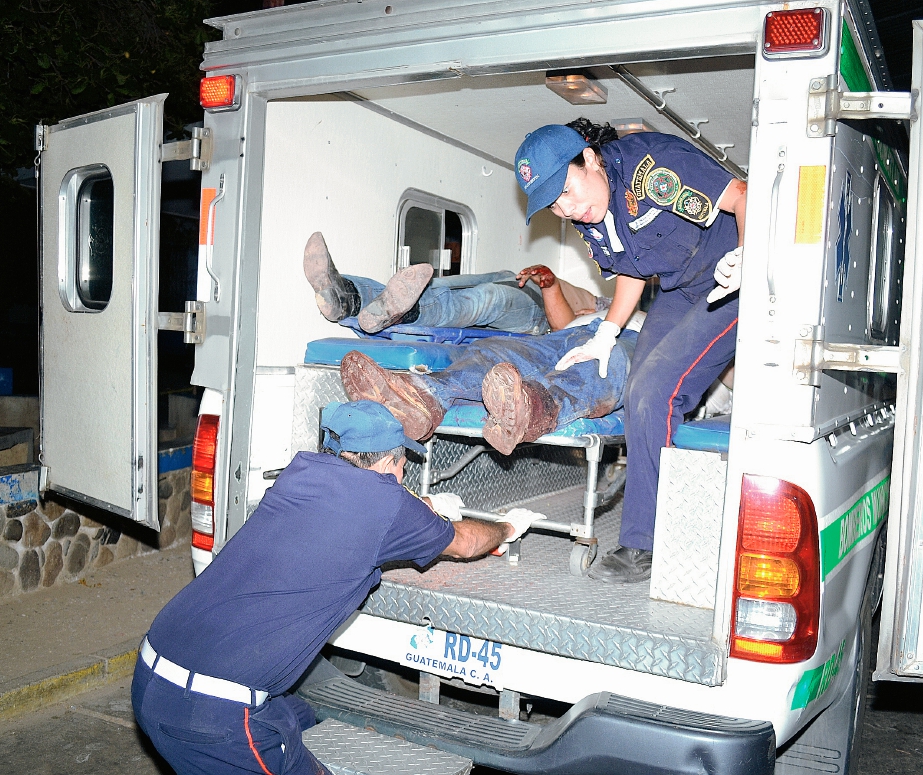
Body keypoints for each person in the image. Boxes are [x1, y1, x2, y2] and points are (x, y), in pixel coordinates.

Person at [132, 400, 545, 775]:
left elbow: (357, 512)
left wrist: (426, 509)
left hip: (152, 669)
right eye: (402, 466)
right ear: (391, 463)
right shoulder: (387, 505)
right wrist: (507, 527)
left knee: (301, 716)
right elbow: (466, 543)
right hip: (213, 715)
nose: (402, 477)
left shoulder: (300, 473)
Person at [513, 118, 746, 584]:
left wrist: (748, 256)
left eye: (567, 190)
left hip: (732, 277)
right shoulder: (590, 214)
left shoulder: (652, 167)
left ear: (590, 159)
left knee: (657, 390)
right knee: (639, 389)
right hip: (681, 289)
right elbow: (632, 269)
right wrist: (606, 333)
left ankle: (645, 543)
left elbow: (742, 194)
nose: (566, 208)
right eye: (553, 203)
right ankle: (666, 508)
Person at [339, 308, 643, 456]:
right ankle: (426, 396)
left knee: (608, 361)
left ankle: (534, 409)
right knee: (494, 349)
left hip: (631, 336)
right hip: (566, 335)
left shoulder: (653, 315)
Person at [303, 231, 611, 334]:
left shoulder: (615, 322)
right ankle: (346, 297)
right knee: (433, 286)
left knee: (487, 300)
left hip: (537, 312)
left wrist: (550, 285)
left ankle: (405, 314)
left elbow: (564, 329)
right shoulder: (609, 302)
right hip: (515, 278)